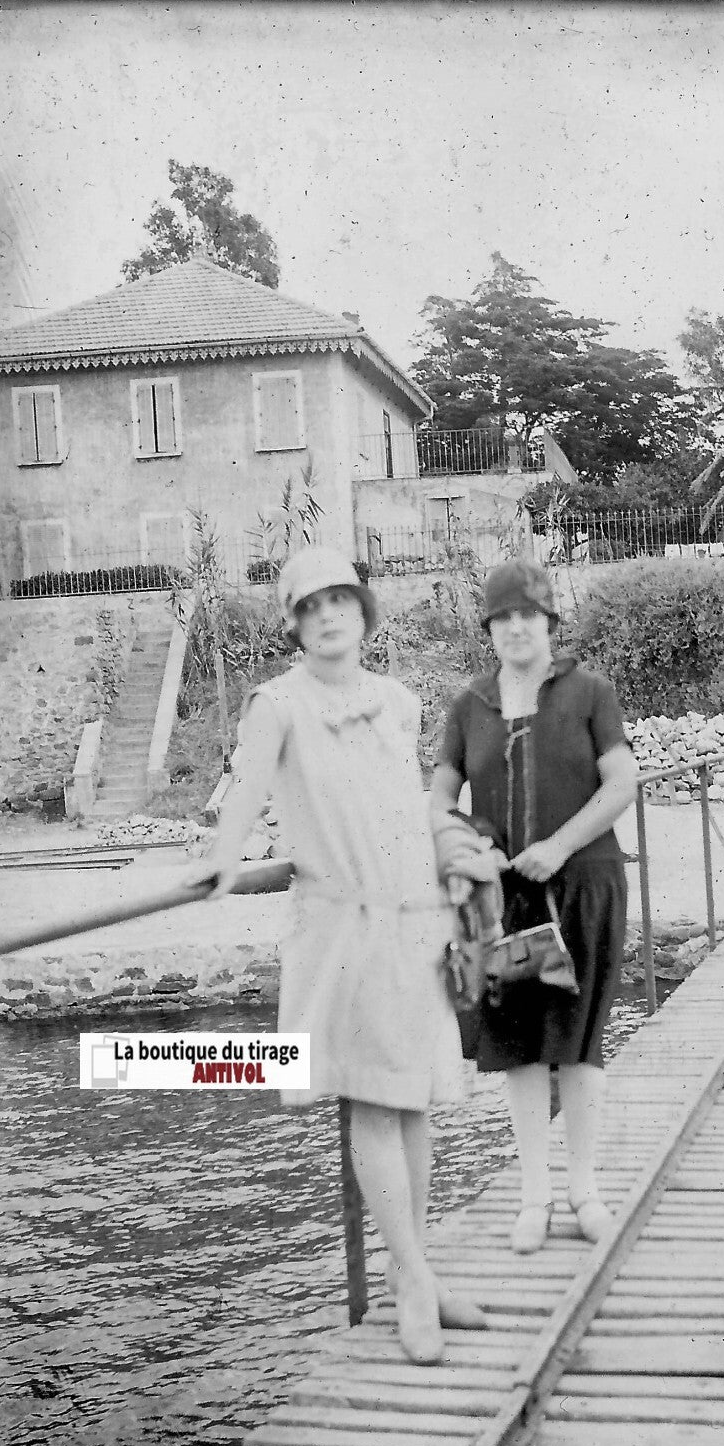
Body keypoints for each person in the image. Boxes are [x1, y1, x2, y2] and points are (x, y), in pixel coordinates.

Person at [197, 544, 495, 1365]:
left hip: (412, 917)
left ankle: (417, 1276)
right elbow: (249, 790)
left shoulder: (397, 702)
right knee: (372, 1102)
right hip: (339, 928)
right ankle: (410, 1284)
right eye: (309, 605)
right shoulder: (276, 704)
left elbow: (406, 811)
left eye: (341, 600)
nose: (328, 615)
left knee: (416, 1101)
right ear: (293, 624)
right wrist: (225, 858)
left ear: (363, 611)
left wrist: (453, 869)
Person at [430, 558, 640, 1254]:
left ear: (550, 623)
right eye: (502, 617)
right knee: (518, 1049)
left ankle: (584, 1191)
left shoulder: (588, 693)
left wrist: (558, 844)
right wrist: (471, 849)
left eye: (528, 615)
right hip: (505, 902)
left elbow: (620, 785)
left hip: (585, 884)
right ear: (488, 628)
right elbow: (437, 801)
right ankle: (535, 1197)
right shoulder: (469, 706)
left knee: (578, 1045)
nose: (516, 628)